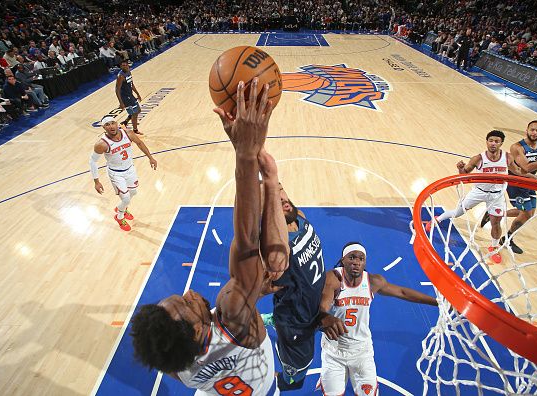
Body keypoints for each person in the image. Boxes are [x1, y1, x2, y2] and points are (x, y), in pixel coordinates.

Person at [130, 79, 288, 395]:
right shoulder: (231, 312)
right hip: (261, 385)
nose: (188, 292)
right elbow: (247, 244)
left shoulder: (172, 361)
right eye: (185, 303)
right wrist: (245, 155)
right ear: (198, 331)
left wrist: (253, 294)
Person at [317, 242, 437, 396]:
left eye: (361, 259)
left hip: (362, 352)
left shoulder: (373, 282)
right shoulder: (333, 279)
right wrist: (324, 316)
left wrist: (437, 302)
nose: (356, 262)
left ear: (364, 262)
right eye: (351, 257)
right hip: (333, 352)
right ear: (343, 260)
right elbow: (322, 307)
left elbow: (402, 292)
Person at [260, 182, 330, 391]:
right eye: (270, 198)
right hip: (296, 324)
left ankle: (275, 317)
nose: (280, 197)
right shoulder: (276, 251)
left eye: (279, 188)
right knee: (296, 375)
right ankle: (281, 380)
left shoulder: (299, 216)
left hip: (308, 306)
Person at [426, 130, 527, 263]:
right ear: (486, 142)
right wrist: (460, 168)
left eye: (496, 141)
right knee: (457, 213)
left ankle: (494, 247)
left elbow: (518, 171)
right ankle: (438, 219)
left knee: (496, 223)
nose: (493, 143)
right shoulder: (478, 158)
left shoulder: (507, 157)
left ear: (501, 143)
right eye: (490, 140)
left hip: (497, 196)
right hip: (478, 192)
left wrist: (532, 176)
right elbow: (464, 174)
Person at [480, 121, 537, 254]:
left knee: (529, 214)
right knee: (525, 213)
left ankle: (494, 215)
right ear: (527, 130)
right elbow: (527, 167)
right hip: (517, 183)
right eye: (532, 130)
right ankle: (507, 239)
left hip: (530, 181)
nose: (534, 133)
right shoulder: (517, 147)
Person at [89, 116, 157, 231]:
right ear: (103, 127)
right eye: (107, 125)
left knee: (133, 192)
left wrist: (150, 157)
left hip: (130, 169)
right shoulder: (102, 144)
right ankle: (119, 217)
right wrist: (96, 181)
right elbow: (93, 161)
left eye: (112, 123)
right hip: (116, 173)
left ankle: (122, 208)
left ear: (117, 124)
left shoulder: (128, 133)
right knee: (125, 198)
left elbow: (140, 143)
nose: (111, 126)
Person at [115, 60, 142, 134]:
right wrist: (121, 102)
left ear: (128, 65)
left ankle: (125, 122)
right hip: (126, 97)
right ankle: (135, 130)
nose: (124, 66)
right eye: (122, 65)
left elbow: (131, 84)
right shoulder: (121, 76)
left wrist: (138, 94)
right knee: (135, 113)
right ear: (120, 66)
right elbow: (117, 90)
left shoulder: (129, 72)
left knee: (138, 110)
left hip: (130, 95)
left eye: (125, 65)